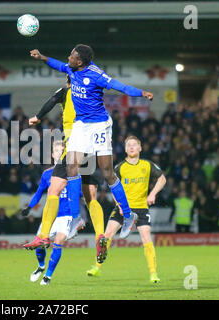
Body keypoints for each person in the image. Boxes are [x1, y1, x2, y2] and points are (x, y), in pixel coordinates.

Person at [24, 44, 153, 252]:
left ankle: (128, 215)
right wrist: (42, 57)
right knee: (72, 166)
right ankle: (76, 218)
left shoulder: (96, 75)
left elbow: (120, 86)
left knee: (108, 172)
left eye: (72, 56)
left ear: (81, 61)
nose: (69, 57)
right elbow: (58, 65)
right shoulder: (71, 69)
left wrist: (141, 92)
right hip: (81, 126)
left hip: (100, 125)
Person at [26, 75, 108, 262]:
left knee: (54, 189)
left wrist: (37, 117)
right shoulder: (93, 94)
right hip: (92, 149)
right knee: (91, 197)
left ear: (69, 82)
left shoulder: (66, 91)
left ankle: (44, 234)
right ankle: (100, 235)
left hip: (73, 146)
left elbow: (51, 101)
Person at [87, 136, 166, 284]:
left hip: (141, 207)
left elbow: (162, 179)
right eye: (128, 145)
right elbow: (113, 187)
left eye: (134, 145)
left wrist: (153, 193)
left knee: (146, 237)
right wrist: (120, 205)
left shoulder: (148, 165)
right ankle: (96, 267)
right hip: (123, 208)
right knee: (107, 235)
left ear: (140, 148)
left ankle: (153, 273)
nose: (131, 147)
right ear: (125, 149)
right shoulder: (119, 167)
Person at [21, 141, 85, 285]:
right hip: (51, 215)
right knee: (40, 244)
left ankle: (48, 276)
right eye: (57, 150)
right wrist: (29, 207)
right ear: (52, 154)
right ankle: (41, 266)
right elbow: (39, 193)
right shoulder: (47, 174)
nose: (59, 153)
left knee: (58, 243)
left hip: (66, 215)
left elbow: (80, 193)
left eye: (62, 150)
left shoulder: (74, 173)